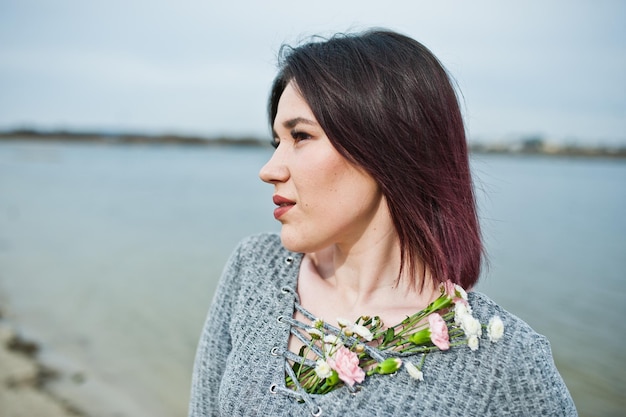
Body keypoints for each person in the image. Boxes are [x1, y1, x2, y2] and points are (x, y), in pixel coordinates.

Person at [188, 29, 577, 417]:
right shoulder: (255, 270)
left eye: (301, 136)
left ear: (385, 145)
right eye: (277, 142)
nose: (269, 170)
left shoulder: (504, 361)